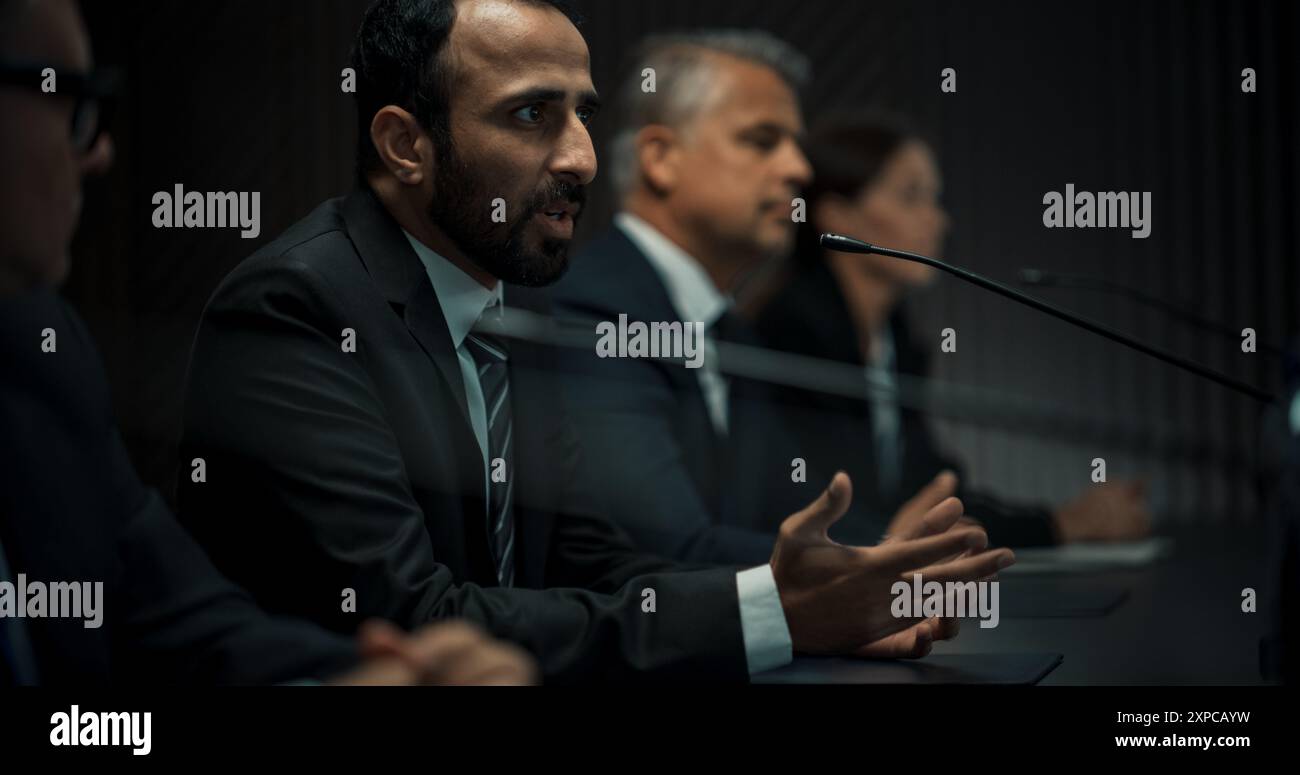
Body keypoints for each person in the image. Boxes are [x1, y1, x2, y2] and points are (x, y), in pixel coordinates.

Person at [176, 0, 1014, 683]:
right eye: (533, 115)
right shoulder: (296, 307)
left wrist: (808, 615)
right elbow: (415, 619)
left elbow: (588, 560)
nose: (579, 157)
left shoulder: (511, 302)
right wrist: (772, 615)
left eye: (584, 114)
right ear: (406, 145)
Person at [0, 0, 536, 686]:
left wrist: (373, 676)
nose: (99, 150)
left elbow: (177, 621)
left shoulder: (40, 350)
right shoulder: (295, 301)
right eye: (73, 104)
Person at [552, 31, 922, 564]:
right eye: (763, 140)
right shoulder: (597, 312)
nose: (799, 169)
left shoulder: (731, 330)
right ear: (660, 158)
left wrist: (898, 547)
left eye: (795, 144)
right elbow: (666, 550)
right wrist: (878, 562)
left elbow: (793, 511)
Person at [755, 113, 1151, 546]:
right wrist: (1061, 526)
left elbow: (933, 491)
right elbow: (852, 515)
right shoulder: (790, 332)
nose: (939, 221)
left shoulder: (895, 340)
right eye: (911, 197)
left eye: (934, 198)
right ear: (837, 216)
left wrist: (1062, 520)